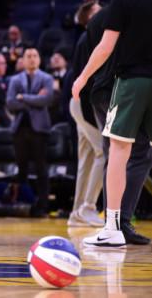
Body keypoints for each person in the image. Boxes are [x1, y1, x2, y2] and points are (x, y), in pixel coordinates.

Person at [73, 0, 152, 247]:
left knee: (118, 152)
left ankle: (112, 228)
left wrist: (82, 77)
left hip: (131, 83)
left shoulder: (124, 0)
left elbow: (105, 47)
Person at [7, 47, 54, 217]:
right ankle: (23, 204)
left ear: (39, 59)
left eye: (35, 56)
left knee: (41, 168)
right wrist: (34, 99)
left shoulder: (47, 78)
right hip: (19, 129)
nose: (32, 59)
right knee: (21, 168)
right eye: (28, 56)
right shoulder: (15, 79)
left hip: (39, 129)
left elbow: (46, 99)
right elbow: (10, 103)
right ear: (23, 60)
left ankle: (43, 206)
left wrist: (23, 97)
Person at [68, 31, 104, 227]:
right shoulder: (96, 37)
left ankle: (77, 212)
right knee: (104, 152)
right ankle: (88, 207)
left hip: (78, 102)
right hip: (85, 104)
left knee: (87, 158)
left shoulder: (84, 37)